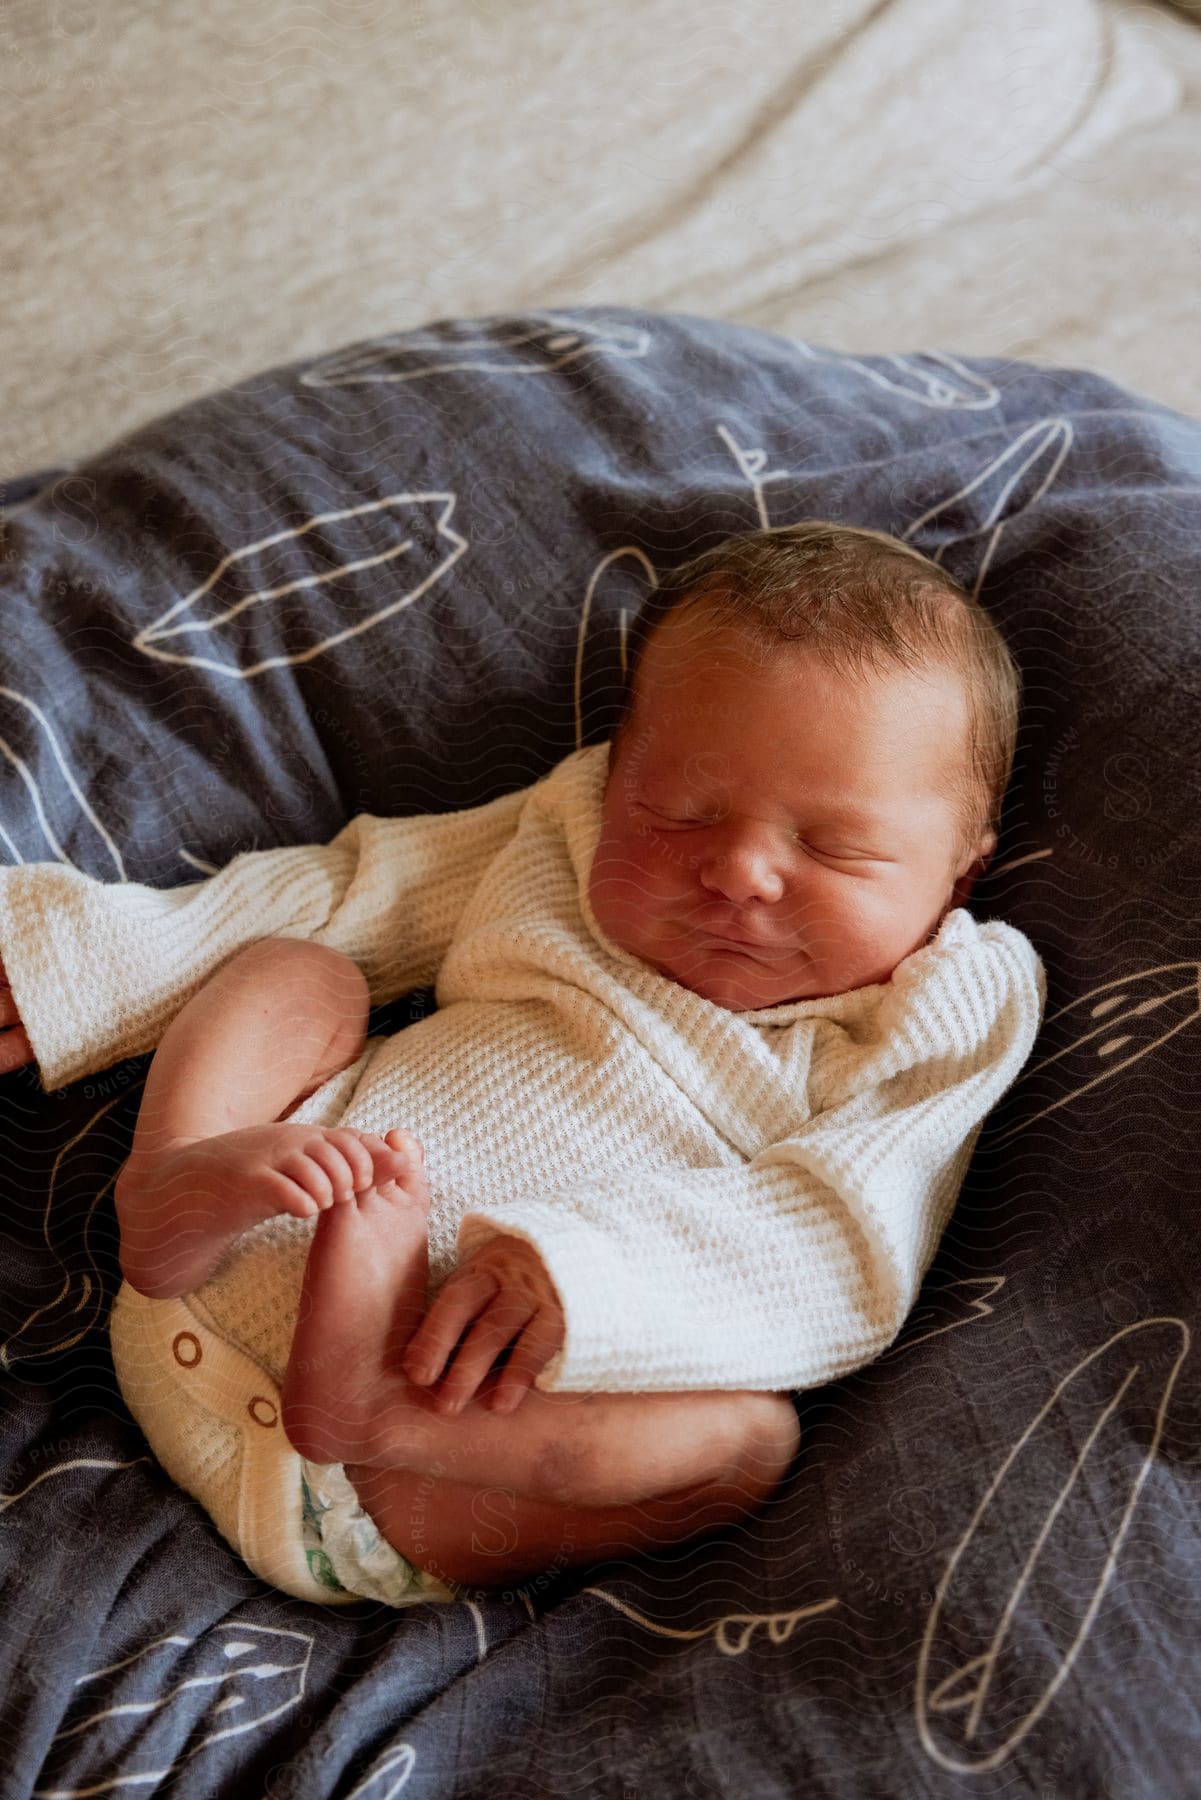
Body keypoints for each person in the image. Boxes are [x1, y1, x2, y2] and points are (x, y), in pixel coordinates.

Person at [0, 519, 1045, 1599]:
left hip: (395, 1482)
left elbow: (845, 1238)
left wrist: (584, 1278)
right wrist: (82, 965)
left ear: (960, 875)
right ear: (615, 776)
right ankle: (164, 1186)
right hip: (212, 1262)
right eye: (674, 813)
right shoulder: (569, 833)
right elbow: (366, 891)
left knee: (742, 1444)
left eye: (831, 847)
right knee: (298, 968)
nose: (736, 871)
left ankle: (373, 1403)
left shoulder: (944, 1007)